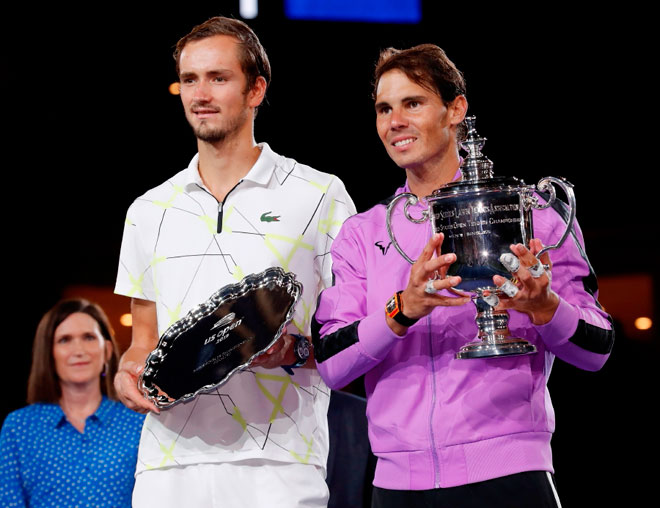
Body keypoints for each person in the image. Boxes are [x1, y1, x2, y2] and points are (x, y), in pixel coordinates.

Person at [312, 44, 615, 508]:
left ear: (456, 109)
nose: (395, 122)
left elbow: (596, 348)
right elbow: (333, 364)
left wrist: (544, 307)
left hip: (511, 475)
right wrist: (402, 309)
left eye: (413, 103)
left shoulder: (530, 213)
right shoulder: (362, 233)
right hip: (397, 487)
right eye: (383, 108)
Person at [113, 16, 356, 508]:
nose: (199, 93)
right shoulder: (147, 210)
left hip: (282, 461)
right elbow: (141, 346)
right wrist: (127, 374)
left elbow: (347, 337)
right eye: (190, 79)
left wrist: (294, 350)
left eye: (218, 77)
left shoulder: (320, 195)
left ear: (256, 90)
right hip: (169, 465)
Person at [0, 298, 144, 508]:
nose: (79, 350)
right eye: (65, 340)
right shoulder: (20, 427)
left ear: (108, 350)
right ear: (49, 353)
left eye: (88, 337)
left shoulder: (138, 423)